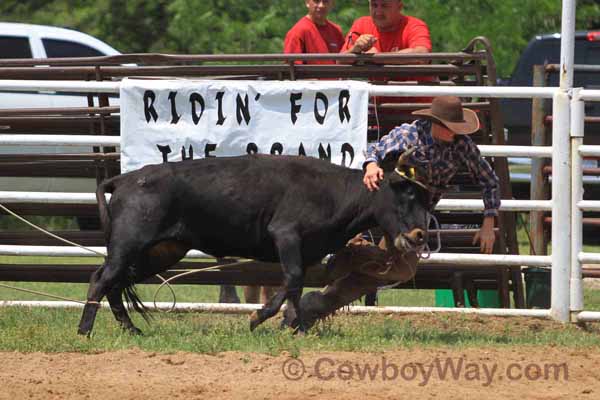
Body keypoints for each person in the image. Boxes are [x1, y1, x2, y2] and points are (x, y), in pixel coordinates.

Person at [362, 96, 500, 254]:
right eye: (450, 127)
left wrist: (488, 222)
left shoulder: (462, 144)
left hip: (418, 209)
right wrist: (371, 165)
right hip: (389, 197)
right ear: (436, 123)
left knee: (400, 262)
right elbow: (375, 150)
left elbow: (490, 181)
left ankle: (374, 261)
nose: (454, 132)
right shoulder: (409, 135)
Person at [284, 0, 345, 64]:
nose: (321, 5)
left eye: (325, 1)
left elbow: (345, 62)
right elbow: (292, 69)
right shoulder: (298, 31)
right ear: (307, 3)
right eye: (316, 1)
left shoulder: (336, 30)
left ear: (332, 4)